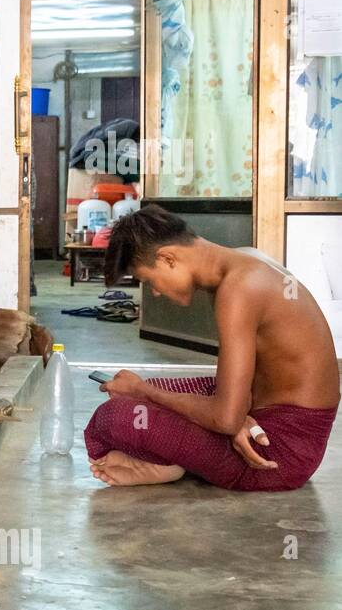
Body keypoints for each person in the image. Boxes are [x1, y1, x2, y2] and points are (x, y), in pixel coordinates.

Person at [85, 205, 338, 491]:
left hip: (277, 454)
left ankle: (169, 462)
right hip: (261, 414)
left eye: (149, 281)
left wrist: (226, 417)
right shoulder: (243, 260)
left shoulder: (239, 289)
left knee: (115, 416)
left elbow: (226, 418)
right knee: (135, 390)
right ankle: (175, 457)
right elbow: (233, 399)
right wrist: (234, 415)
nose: (155, 292)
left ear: (167, 258)